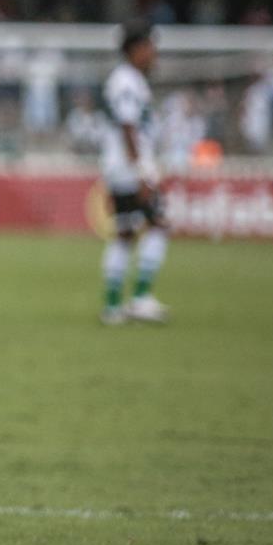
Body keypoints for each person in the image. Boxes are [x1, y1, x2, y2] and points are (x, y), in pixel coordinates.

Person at [101, 20, 169, 326]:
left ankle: (114, 305)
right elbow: (127, 126)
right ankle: (140, 298)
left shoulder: (129, 79)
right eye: (150, 47)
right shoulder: (126, 80)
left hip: (121, 167)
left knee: (125, 233)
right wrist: (143, 171)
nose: (154, 54)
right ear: (135, 49)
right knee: (158, 225)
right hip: (130, 168)